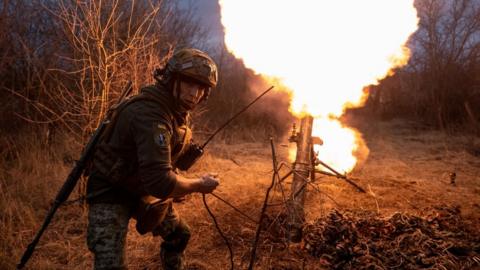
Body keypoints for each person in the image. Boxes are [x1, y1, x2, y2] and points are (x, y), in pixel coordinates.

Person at [86, 48, 220, 270]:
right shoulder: (151, 114)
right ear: (172, 80)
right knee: (110, 265)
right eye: (189, 83)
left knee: (179, 235)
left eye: (201, 87)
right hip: (110, 191)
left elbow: (161, 169)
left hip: (141, 188)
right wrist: (198, 185)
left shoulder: (175, 113)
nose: (195, 93)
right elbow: (161, 183)